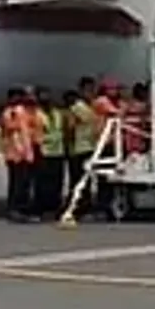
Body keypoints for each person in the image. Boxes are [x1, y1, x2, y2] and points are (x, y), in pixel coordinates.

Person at [0, 87, 40, 223]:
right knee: (18, 184)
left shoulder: (24, 112)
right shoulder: (10, 113)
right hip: (16, 154)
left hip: (25, 153)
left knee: (24, 183)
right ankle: (16, 210)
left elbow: (30, 128)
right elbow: (11, 129)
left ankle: (22, 209)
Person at [64, 84, 98, 218]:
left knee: (80, 180)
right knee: (82, 180)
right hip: (84, 148)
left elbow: (73, 129)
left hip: (82, 148)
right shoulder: (83, 108)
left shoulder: (80, 108)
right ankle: (81, 207)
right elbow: (73, 129)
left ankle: (80, 206)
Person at [33, 87, 67, 221]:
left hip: (58, 152)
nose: (46, 98)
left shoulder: (57, 113)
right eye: (43, 95)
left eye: (47, 95)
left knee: (57, 182)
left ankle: (54, 207)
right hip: (44, 152)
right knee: (43, 183)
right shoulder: (36, 114)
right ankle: (42, 208)